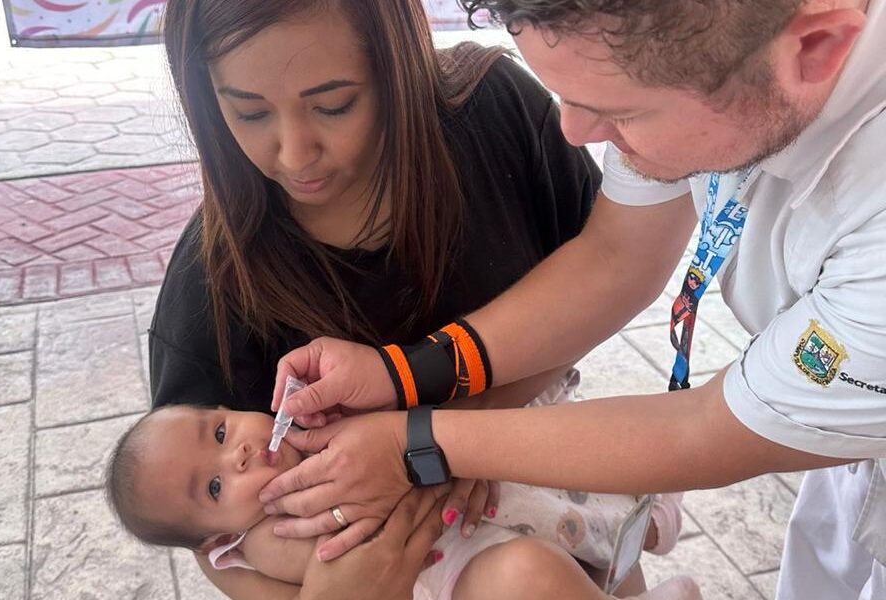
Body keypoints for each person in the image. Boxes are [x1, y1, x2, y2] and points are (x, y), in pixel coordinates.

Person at [260, 1, 886, 599]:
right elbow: (616, 257)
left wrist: (415, 443)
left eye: (620, 113)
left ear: (816, 47)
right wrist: (400, 373)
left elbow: (705, 430)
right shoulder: (701, 61)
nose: (573, 130)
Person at [145, 0, 652, 596]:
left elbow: (597, 281)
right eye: (249, 113)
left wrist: (453, 438)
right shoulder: (211, 285)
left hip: (553, 496)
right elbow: (200, 529)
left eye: (334, 104)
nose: (295, 153)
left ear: (396, 59)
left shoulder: (495, 114)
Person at [105, 404, 700, 600]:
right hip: (456, 571)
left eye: (219, 431)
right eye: (214, 487)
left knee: (555, 485)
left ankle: (647, 515)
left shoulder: (300, 424)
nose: (235, 454)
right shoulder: (258, 541)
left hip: (475, 505)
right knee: (530, 575)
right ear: (216, 539)